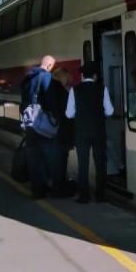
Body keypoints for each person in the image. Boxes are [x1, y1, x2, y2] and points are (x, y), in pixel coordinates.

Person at [67, 60, 114, 203]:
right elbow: (110, 111)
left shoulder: (74, 90)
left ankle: (84, 196)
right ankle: (100, 194)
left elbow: (69, 114)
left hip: (81, 132)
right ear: (95, 76)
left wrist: (82, 116)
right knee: (100, 163)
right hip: (98, 131)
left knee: (83, 163)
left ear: (83, 76)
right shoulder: (102, 89)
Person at [20, 55, 59, 200]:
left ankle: (37, 190)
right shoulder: (46, 77)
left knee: (33, 159)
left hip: (29, 123)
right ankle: (53, 187)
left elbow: (23, 101)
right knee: (50, 157)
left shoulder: (28, 77)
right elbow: (50, 100)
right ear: (49, 66)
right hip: (42, 124)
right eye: (52, 66)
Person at [50, 65, 76, 197]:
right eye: (69, 78)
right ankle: (59, 190)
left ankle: (58, 187)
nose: (70, 81)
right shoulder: (61, 92)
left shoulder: (52, 90)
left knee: (59, 159)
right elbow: (65, 113)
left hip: (55, 130)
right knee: (61, 160)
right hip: (61, 131)